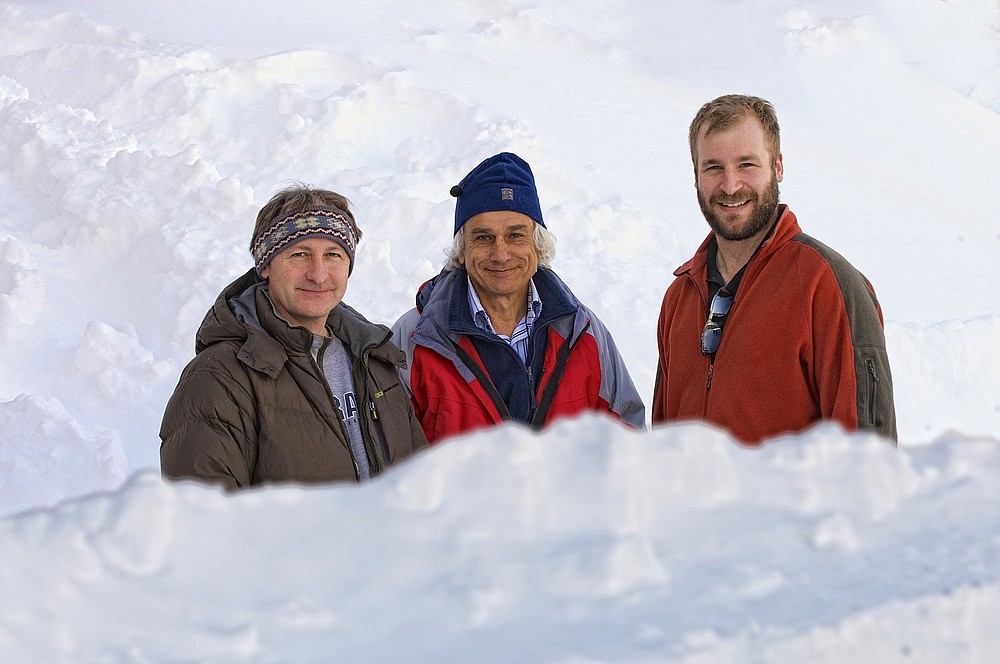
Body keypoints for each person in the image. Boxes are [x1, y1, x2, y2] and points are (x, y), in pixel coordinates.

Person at [652, 94, 897, 444]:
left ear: (778, 167)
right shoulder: (680, 297)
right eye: (713, 167)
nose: (731, 185)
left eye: (747, 165)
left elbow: (868, 462)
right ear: (696, 177)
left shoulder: (826, 285)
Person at [160, 184, 427, 489]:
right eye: (299, 254)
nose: (318, 273)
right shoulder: (220, 378)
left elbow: (423, 488)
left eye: (333, 255)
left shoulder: (373, 359)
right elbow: (204, 522)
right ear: (265, 266)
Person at [392, 152, 645, 444]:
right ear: (462, 250)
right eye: (483, 237)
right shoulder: (414, 339)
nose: (501, 254)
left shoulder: (584, 332)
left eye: (516, 235)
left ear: (538, 247)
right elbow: (392, 463)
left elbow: (629, 441)